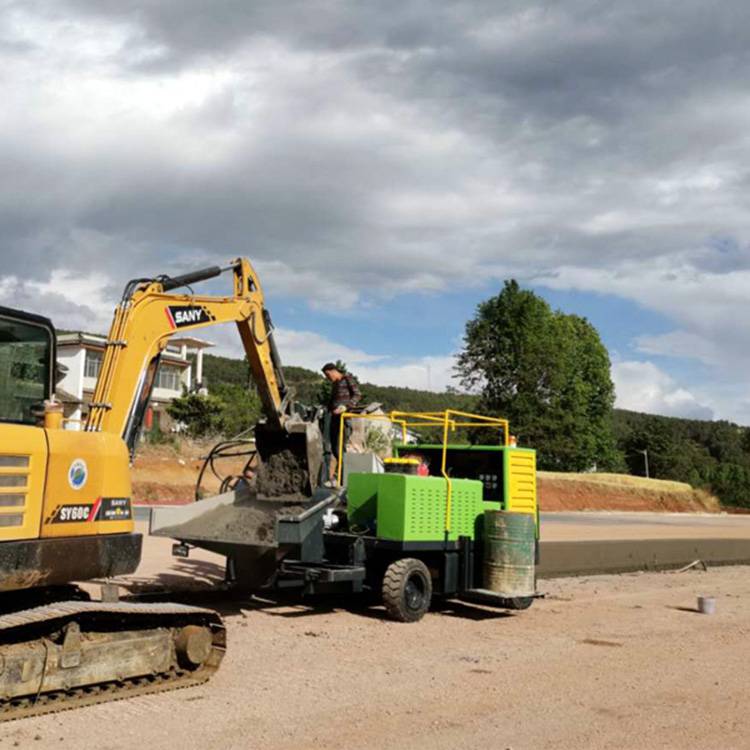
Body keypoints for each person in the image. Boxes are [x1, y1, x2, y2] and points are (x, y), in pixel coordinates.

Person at [322, 362, 361, 484]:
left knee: (340, 447)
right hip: (334, 418)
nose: (328, 378)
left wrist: (346, 407)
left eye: (328, 375)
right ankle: (339, 475)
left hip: (344, 418)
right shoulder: (335, 385)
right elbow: (331, 401)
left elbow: (357, 394)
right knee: (334, 447)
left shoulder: (347, 379)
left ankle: (344, 478)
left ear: (334, 370)